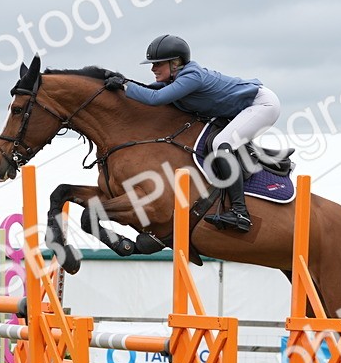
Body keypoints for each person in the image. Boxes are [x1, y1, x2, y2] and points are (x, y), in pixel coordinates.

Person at [104, 34, 281, 233]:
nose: (153, 68)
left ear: (175, 63)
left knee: (222, 143)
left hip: (263, 104)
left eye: (157, 64)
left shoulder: (191, 77)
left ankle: (240, 212)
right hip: (242, 109)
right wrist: (122, 83)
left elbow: (155, 98)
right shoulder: (176, 78)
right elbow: (147, 90)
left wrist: (124, 85)